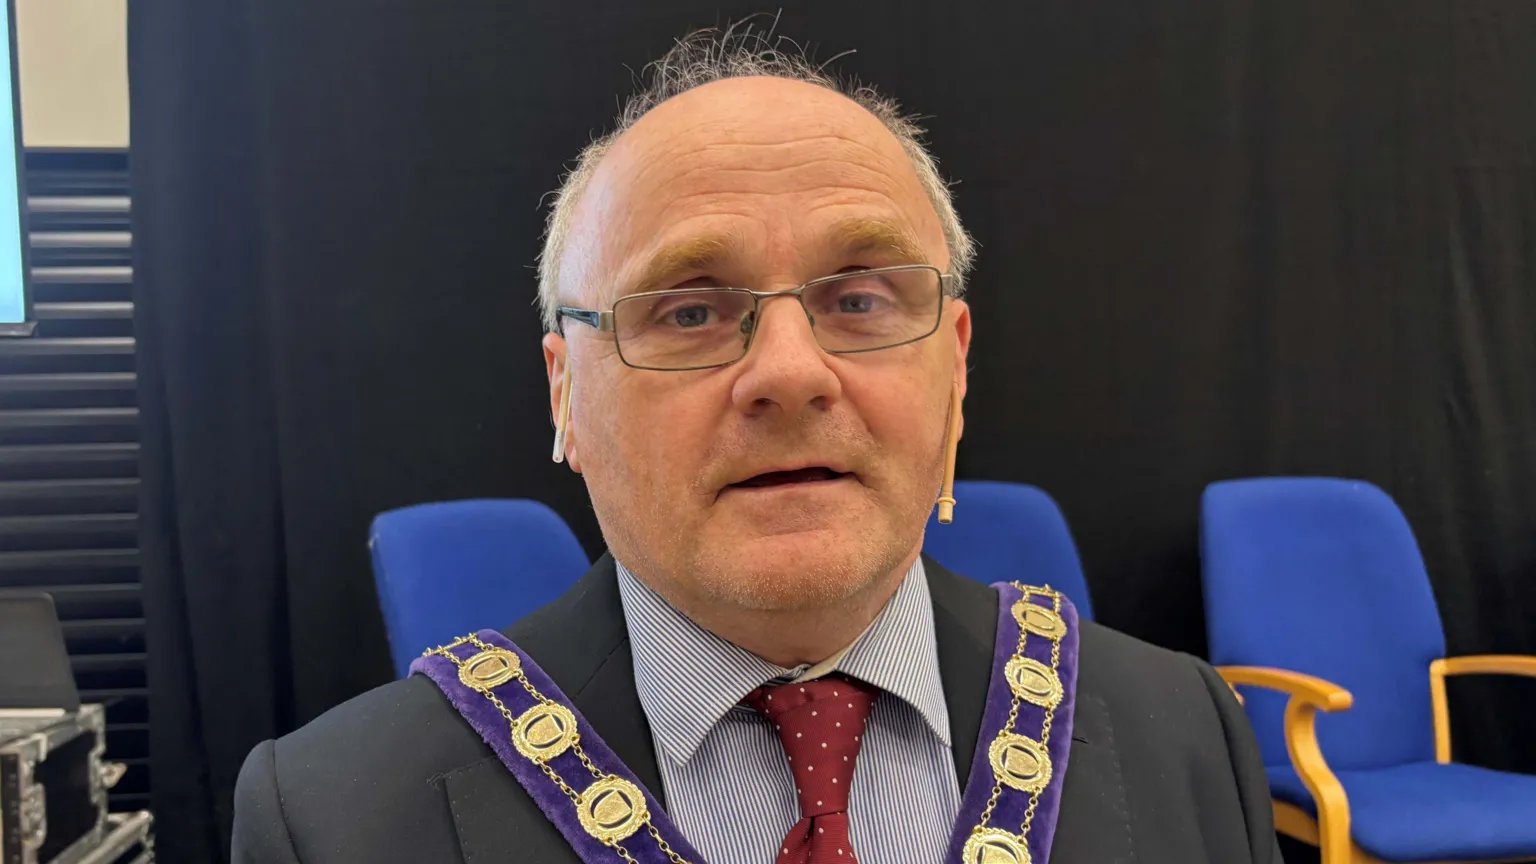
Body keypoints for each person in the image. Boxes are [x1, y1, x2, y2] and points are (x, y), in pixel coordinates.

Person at [233, 25, 1282, 864]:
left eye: (861, 297)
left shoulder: (1188, 737)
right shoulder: (331, 819)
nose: (789, 372)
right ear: (566, 393)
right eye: (688, 311)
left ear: (954, 373)